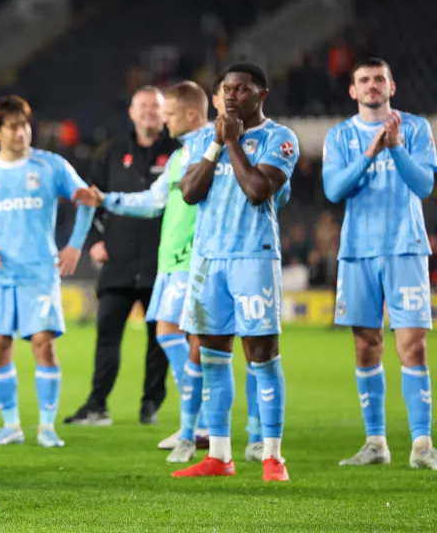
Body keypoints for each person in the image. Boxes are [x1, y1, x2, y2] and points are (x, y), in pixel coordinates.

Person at [72, 80, 212, 461]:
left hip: (192, 261)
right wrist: (107, 199)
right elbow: (153, 201)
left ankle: (210, 428)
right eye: (155, 112)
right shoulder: (182, 156)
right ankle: (194, 425)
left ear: (189, 115)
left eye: (167, 113)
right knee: (172, 338)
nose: (162, 121)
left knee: (201, 345)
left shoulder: (214, 150)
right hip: (168, 262)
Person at [173, 62, 297, 482]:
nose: (230, 95)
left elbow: (258, 190)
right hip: (209, 261)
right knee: (212, 357)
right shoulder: (204, 140)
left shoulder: (279, 139)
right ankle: (220, 456)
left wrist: (233, 145)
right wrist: (214, 146)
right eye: (227, 88)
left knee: (262, 355)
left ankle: (273, 456)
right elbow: (189, 194)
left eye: (241, 90)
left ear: (261, 95)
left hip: (253, 258)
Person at [323, 58, 437, 469]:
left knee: (414, 345)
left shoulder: (416, 128)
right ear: (353, 90)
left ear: (393, 86)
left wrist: (395, 148)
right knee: (365, 345)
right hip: (357, 251)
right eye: (364, 80)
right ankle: (376, 443)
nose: (372, 85)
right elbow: (334, 189)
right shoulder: (340, 136)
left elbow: (424, 184)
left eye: (379, 79)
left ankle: (423, 445)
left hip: (405, 247)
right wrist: (371, 152)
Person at [0, 95, 94, 448]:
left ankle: (47, 426)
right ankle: (11, 425)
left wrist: (74, 245)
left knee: (43, 344)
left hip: (39, 272)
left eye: (24, 125)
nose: (21, 132)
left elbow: (85, 199)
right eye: (12, 126)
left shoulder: (50, 165)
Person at [65, 86, 179, 427]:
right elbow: (90, 199)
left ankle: (150, 405)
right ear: (131, 112)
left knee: (161, 338)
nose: (148, 112)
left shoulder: (178, 152)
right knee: (107, 335)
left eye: (155, 107)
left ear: (164, 113)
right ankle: (97, 404)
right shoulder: (112, 152)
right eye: (142, 106)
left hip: (162, 261)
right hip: (118, 261)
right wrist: (95, 240)